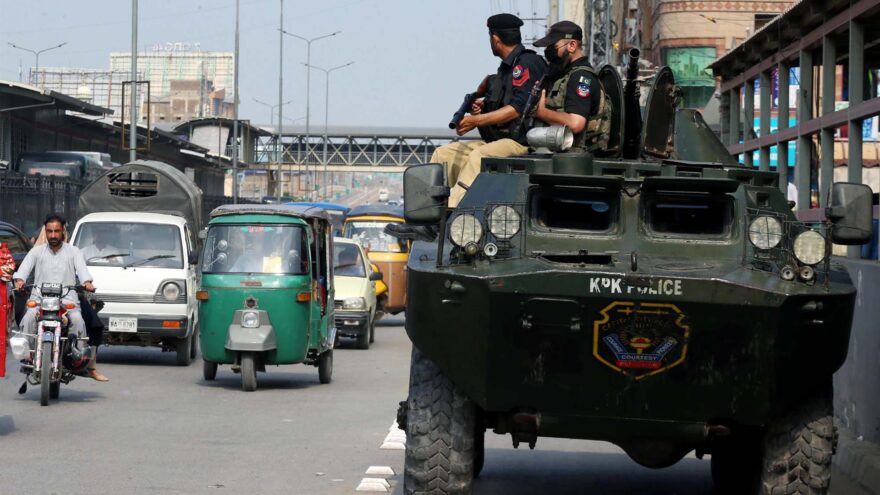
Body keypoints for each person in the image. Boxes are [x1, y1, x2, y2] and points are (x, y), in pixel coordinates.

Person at [435, 13, 547, 208]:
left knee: (479, 156)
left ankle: (453, 213)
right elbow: (501, 106)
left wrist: (475, 121)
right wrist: (482, 109)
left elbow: (517, 109)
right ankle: (430, 213)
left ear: (495, 39)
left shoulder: (525, 64)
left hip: (520, 142)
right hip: (498, 140)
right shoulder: (505, 69)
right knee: (443, 155)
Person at [12, 214, 105, 381]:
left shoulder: (74, 252)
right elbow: (24, 270)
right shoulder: (36, 251)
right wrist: (19, 280)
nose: (53, 235)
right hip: (40, 299)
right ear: (45, 232)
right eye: (50, 231)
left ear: (63, 231)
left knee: (77, 319)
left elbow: (83, 272)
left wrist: (87, 282)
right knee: (28, 318)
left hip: (67, 299)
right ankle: (28, 356)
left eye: (56, 231)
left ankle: (78, 356)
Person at [533, 20, 610, 152]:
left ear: (572, 45)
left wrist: (542, 113)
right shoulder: (563, 75)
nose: (548, 52)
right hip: (558, 153)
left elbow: (575, 123)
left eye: (553, 46)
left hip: (574, 158)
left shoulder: (580, 77)